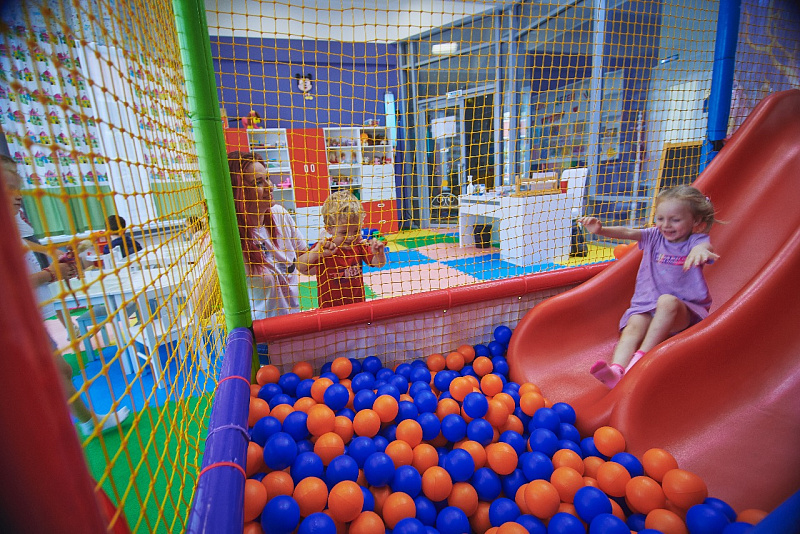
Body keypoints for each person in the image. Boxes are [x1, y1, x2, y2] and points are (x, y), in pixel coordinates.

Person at [1, 156, 130, 435]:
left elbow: (29, 252)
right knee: (51, 373)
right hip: (12, 320)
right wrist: (50, 273)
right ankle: (80, 424)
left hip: (24, 315)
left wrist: (62, 263)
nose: (18, 196)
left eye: (18, 188)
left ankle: (88, 422)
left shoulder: (13, 226)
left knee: (59, 371)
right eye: (9, 189)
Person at [578, 185, 719, 388]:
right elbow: (628, 231)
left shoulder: (695, 241)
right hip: (647, 305)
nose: (666, 225)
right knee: (633, 325)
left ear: (695, 221)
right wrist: (601, 230)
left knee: (666, 301)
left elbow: (704, 245)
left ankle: (640, 359)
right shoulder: (654, 236)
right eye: (660, 218)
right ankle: (616, 370)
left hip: (683, 313)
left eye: (675, 220)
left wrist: (700, 251)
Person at [228, 151, 309, 319]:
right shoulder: (231, 237)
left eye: (267, 178)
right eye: (258, 182)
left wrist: (327, 247)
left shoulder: (279, 214)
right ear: (239, 192)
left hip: (293, 321)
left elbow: (306, 264)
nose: (270, 186)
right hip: (261, 329)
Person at [297, 190, 387, 308]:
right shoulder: (324, 248)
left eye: (356, 231)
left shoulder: (359, 245)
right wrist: (315, 253)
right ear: (329, 229)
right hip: (330, 310)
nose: (351, 237)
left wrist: (379, 253)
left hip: (358, 307)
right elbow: (300, 267)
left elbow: (379, 263)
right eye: (344, 232)